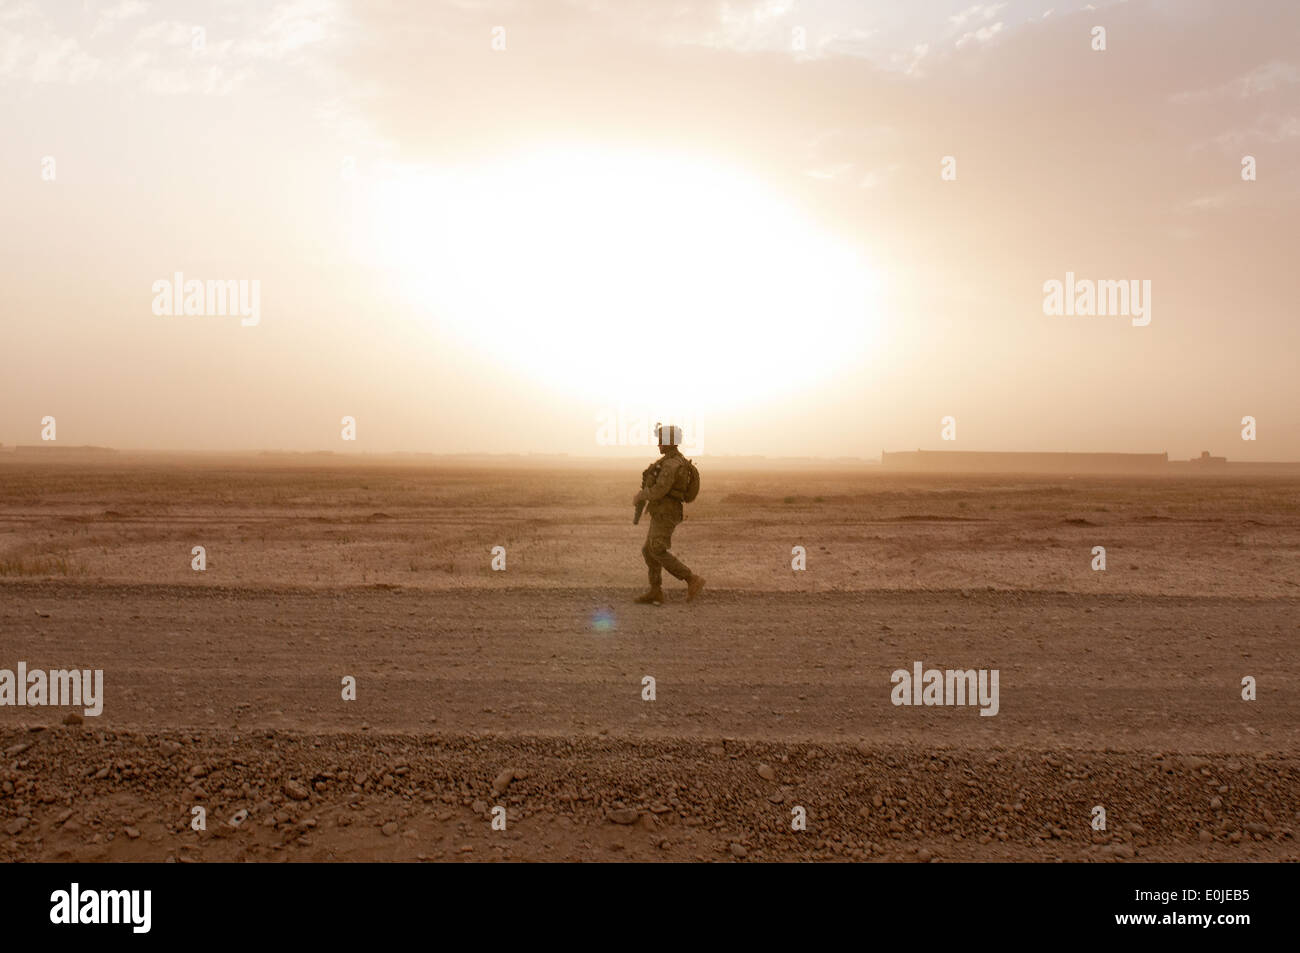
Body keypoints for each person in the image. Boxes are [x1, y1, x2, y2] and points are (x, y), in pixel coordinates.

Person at [633, 424, 705, 605]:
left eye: (661, 440)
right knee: (648, 550)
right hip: (661, 510)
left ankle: (691, 579)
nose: (658, 444)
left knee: (657, 548)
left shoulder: (671, 464)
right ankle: (655, 591)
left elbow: (659, 490)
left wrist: (641, 495)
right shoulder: (670, 461)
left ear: (669, 442)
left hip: (667, 511)